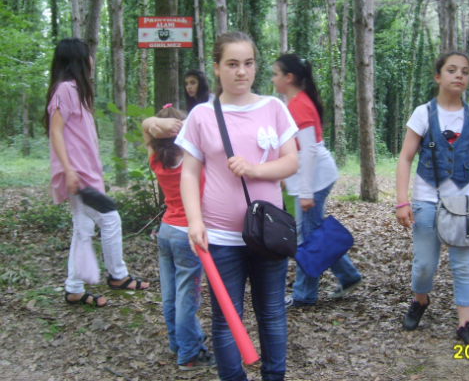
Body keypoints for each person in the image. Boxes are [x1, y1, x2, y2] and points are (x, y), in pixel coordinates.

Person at [177, 31, 298, 381]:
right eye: (232, 64)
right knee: (225, 317)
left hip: (268, 234)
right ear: (216, 68)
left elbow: (291, 162)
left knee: (272, 313)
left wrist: (255, 169)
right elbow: (189, 174)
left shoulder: (274, 108)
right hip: (218, 236)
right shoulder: (201, 115)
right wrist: (194, 222)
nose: (241, 72)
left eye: (248, 63)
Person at [395, 51, 469, 346]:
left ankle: (465, 324)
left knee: (463, 265)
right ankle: (420, 300)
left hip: (465, 204)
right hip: (427, 200)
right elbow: (405, 157)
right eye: (451, 70)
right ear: (438, 76)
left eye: (464, 71)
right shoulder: (423, 113)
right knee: (425, 264)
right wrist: (402, 201)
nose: (459, 75)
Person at [43, 38, 148, 308]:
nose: (92, 60)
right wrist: (68, 170)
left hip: (86, 173)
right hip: (77, 174)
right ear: (78, 60)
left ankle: (74, 288)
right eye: (88, 56)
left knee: (83, 230)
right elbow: (55, 131)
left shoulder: (77, 91)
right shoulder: (65, 90)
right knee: (110, 219)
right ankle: (118, 275)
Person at [271, 54, 363, 308]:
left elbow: (309, 149)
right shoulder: (295, 102)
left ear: (288, 78)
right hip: (308, 177)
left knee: (308, 238)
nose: (272, 78)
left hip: (314, 178)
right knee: (313, 235)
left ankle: (305, 294)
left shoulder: (299, 104)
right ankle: (347, 275)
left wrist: (306, 191)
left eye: (275, 74)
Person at [141, 105, 214, 371]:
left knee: (171, 294)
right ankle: (190, 355)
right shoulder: (192, 158)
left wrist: (157, 124)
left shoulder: (156, 159)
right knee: (187, 299)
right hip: (187, 235)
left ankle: (178, 342)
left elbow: (145, 127)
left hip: (166, 231)